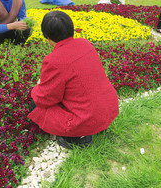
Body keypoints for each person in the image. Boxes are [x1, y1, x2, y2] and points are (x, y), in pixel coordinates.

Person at [27, 11, 119, 149]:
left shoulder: (54, 61)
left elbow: (45, 99)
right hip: (108, 108)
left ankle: (77, 137)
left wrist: (37, 87)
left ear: (48, 38)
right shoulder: (85, 43)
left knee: (35, 105)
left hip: (87, 118)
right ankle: (96, 127)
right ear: (71, 29)